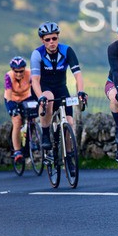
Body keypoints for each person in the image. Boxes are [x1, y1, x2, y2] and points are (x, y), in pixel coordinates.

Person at [30, 22, 87, 158]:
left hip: (61, 88)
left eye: (54, 38)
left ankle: (69, 156)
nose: (51, 42)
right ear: (42, 40)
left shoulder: (67, 51)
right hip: (43, 88)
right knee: (48, 97)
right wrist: (40, 97)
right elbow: (35, 81)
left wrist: (80, 92)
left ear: (58, 38)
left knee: (70, 123)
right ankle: (45, 134)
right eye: (47, 39)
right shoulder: (37, 54)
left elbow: (78, 75)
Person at [4, 56, 36, 163]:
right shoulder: (8, 76)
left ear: (24, 69)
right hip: (11, 99)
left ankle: (30, 142)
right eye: (16, 71)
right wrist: (12, 108)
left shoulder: (30, 74)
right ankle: (17, 151)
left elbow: (35, 87)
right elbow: (8, 93)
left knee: (32, 118)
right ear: (12, 70)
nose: (18, 74)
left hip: (25, 98)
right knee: (17, 121)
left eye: (21, 71)